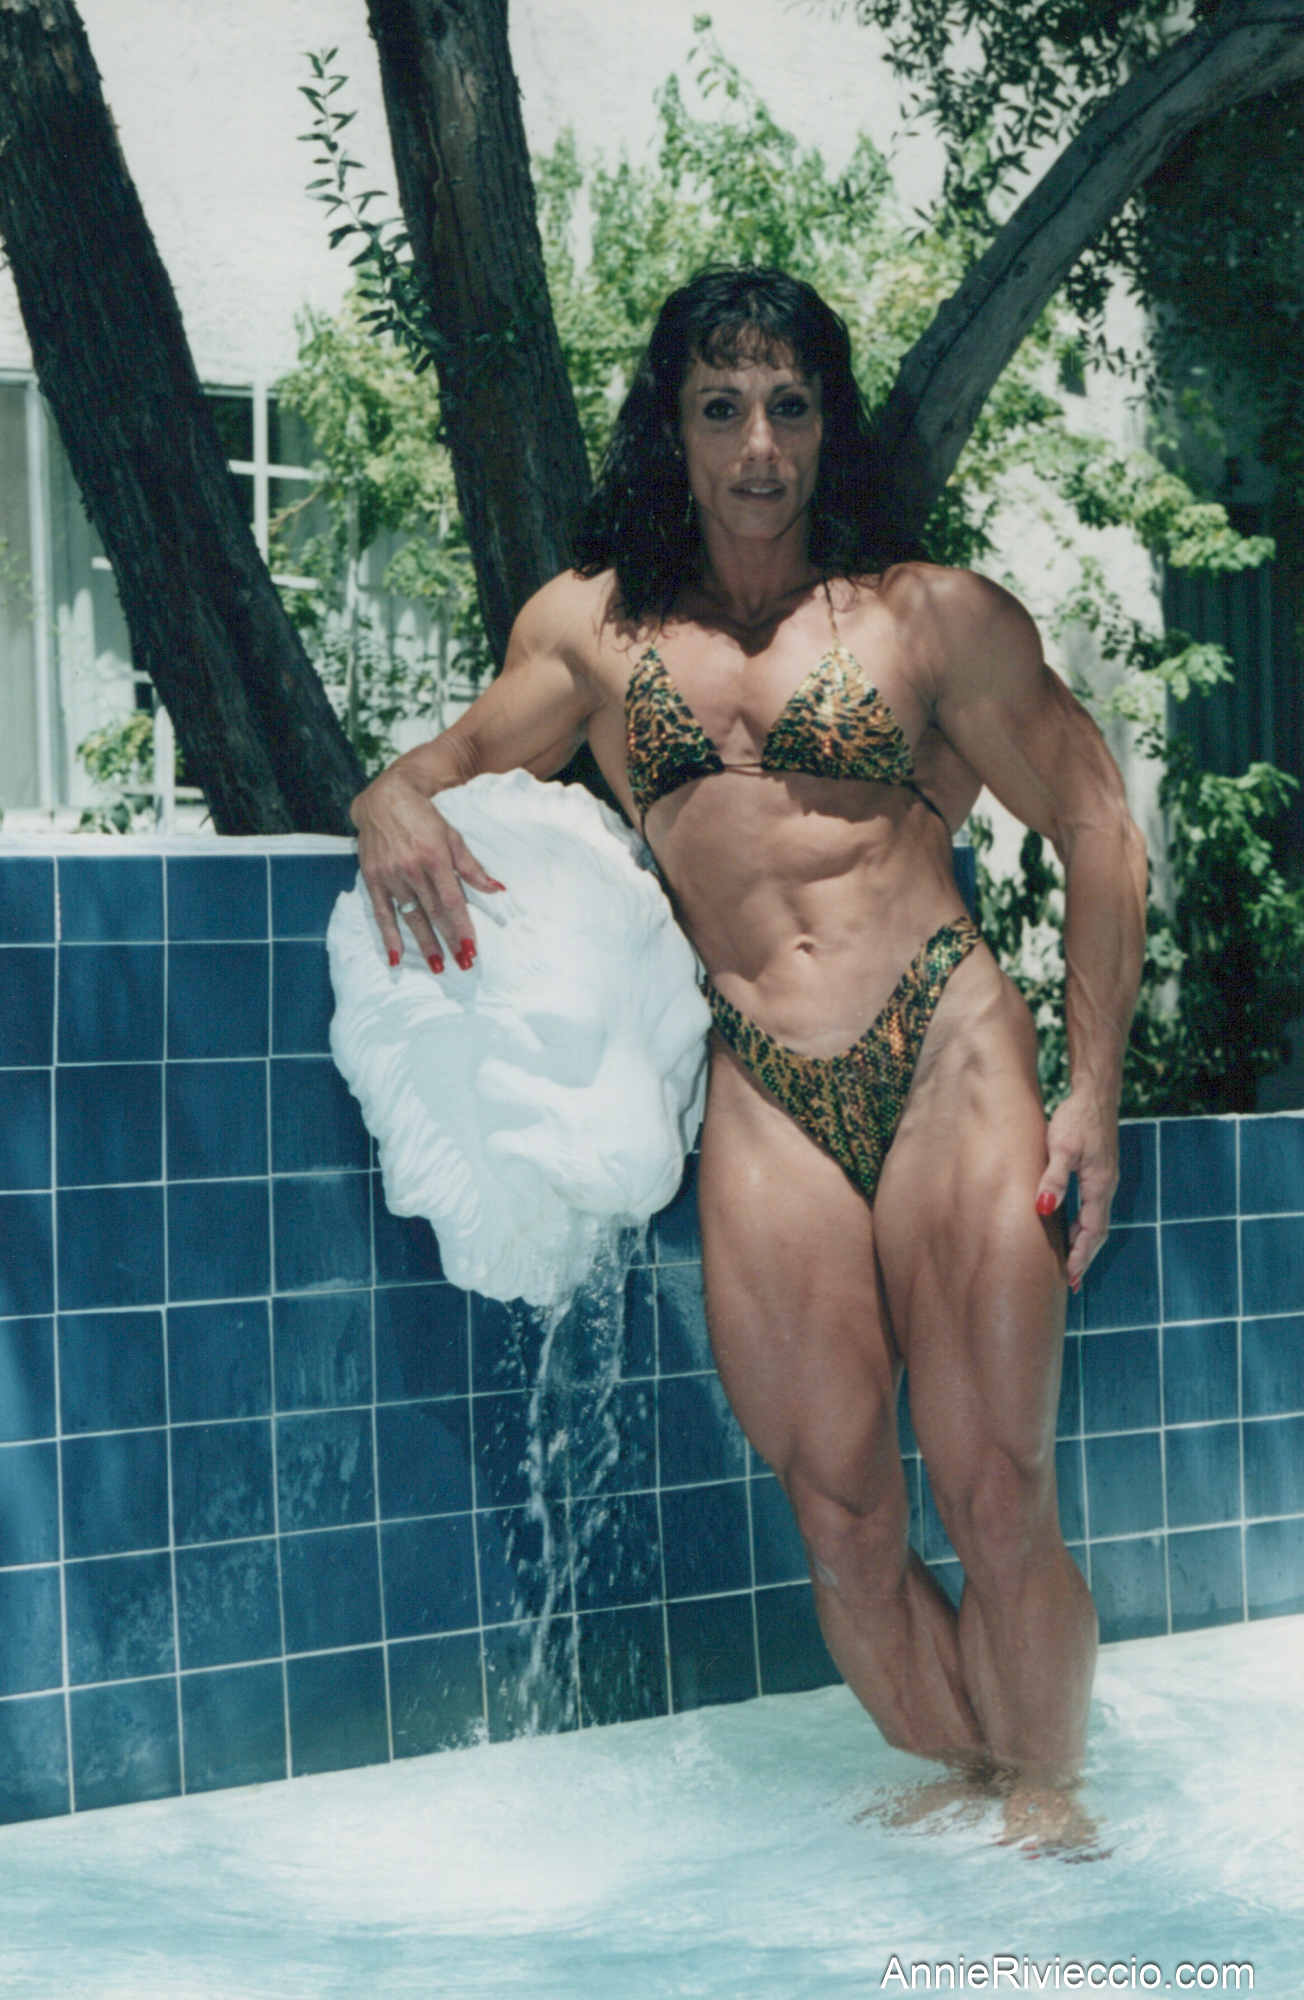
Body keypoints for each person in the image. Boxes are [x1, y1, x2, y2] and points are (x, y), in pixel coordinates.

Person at [351, 267, 1147, 1838]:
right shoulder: (591, 631)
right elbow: (449, 762)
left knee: (994, 1487)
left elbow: (1096, 818)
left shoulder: (930, 617)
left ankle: (1051, 1801)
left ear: (830, 426)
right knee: (841, 1519)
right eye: (723, 409)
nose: (760, 446)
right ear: (677, 429)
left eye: (790, 406)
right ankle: (976, 1774)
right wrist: (387, 794)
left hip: (944, 1047)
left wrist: (1095, 1094)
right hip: (765, 1084)